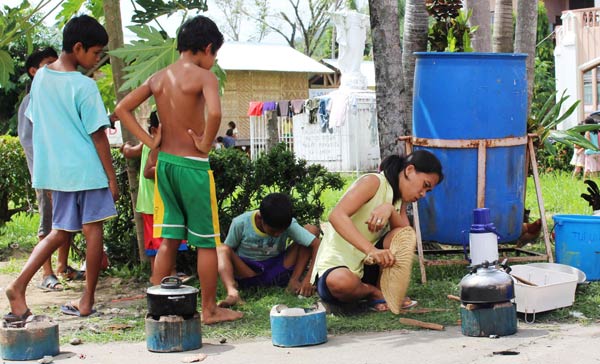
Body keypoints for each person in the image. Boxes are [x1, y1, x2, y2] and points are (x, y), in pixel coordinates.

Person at [114, 15, 242, 324]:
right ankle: (210, 309)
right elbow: (214, 111)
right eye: (215, 55)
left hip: (166, 166)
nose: (214, 61)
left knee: (169, 239)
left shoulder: (159, 77)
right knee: (206, 240)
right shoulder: (203, 77)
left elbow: (121, 109)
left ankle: (159, 307)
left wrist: (151, 143)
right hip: (192, 167)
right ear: (207, 48)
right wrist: (206, 143)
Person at [6, 15, 118, 321]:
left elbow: (39, 123)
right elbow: (98, 135)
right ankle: (87, 301)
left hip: (57, 173)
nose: (97, 60)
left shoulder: (40, 79)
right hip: (87, 170)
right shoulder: (83, 86)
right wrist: (111, 178)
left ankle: (17, 285)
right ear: (78, 47)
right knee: (93, 231)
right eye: (95, 53)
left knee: (57, 233)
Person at [310, 150, 443, 312]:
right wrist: (371, 250)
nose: (423, 194)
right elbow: (336, 216)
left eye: (427, 191)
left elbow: (406, 236)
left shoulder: (400, 199)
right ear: (409, 170)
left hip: (367, 268)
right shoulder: (373, 181)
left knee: (400, 236)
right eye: (425, 185)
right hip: (335, 268)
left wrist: (389, 209)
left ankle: (382, 291)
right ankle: (374, 293)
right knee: (341, 282)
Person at [17, 47, 79, 292]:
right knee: (49, 223)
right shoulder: (31, 100)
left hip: (65, 171)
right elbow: (28, 141)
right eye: (48, 64)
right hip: (46, 173)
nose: (54, 68)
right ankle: (47, 273)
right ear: (34, 71)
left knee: (66, 221)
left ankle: (63, 266)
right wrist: (44, 175)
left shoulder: (57, 96)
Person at [217, 193, 320, 308]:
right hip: (249, 272)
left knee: (311, 230)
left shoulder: (288, 224)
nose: (277, 234)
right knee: (222, 249)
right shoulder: (240, 223)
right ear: (260, 218)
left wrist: (308, 279)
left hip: (277, 268)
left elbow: (317, 245)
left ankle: (293, 281)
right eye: (273, 231)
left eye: (282, 231)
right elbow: (228, 252)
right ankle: (233, 293)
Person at [121, 111, 189, 276]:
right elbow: (148, 172)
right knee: (163, 242)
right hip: (156, 203)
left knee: (157, 242)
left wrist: (125, 147)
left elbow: (130, 152)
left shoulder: (148, 143)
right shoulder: (161, 145)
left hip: (152, 203)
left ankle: (160, 274)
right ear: (154, 130)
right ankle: (166, 275)